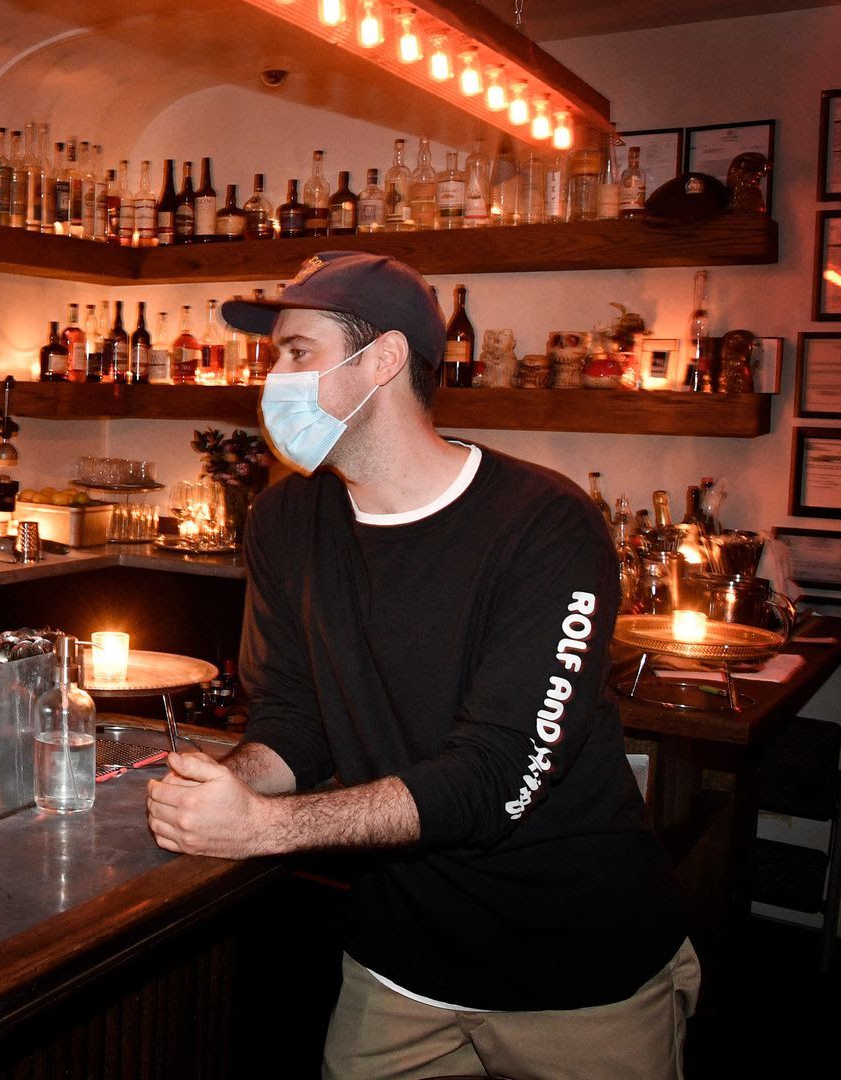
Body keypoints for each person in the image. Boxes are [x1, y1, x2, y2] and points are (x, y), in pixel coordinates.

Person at [145, 252, 697, 1079]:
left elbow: (498, 775)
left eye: (298, 352)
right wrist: (232, 785)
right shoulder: (287, 521)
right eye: (275, 358)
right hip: (397, 967)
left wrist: (265, 830)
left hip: (577, 971)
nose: (274, 380)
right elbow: (294, 716)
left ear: (385, 360)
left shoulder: (544, 526)